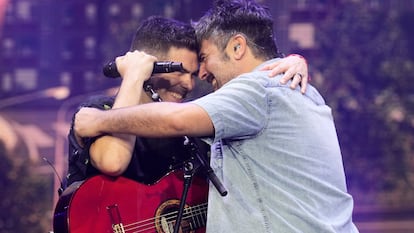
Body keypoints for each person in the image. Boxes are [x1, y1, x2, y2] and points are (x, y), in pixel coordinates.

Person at [74, 0, 359, 232]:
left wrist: (97, 121)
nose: (200, 75)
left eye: (205, 58)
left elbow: (176, 119)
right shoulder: (293, 90)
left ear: (237, 47)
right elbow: (113, 160)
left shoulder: (259, 89)